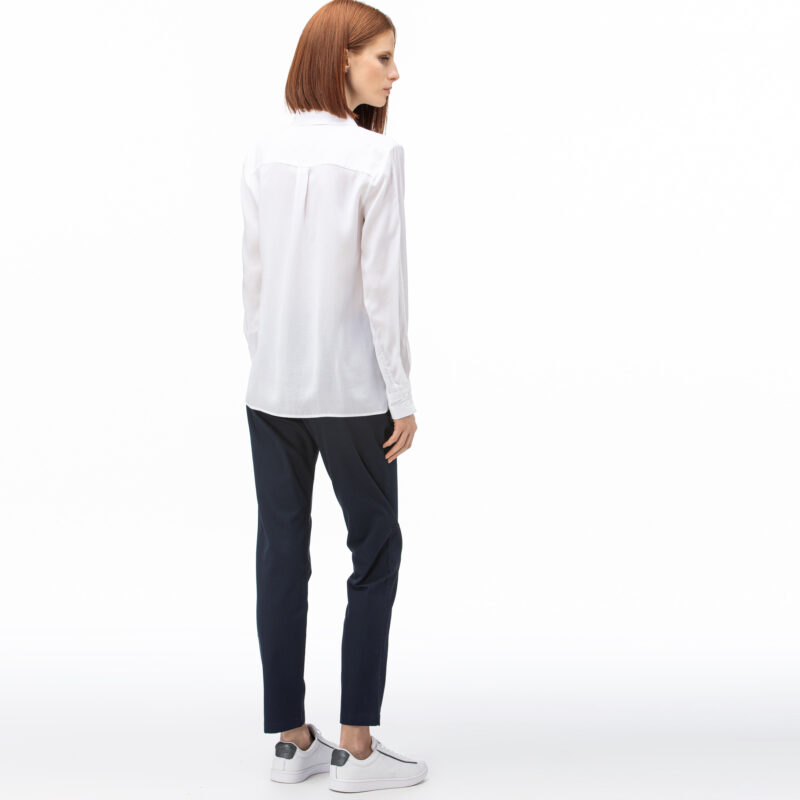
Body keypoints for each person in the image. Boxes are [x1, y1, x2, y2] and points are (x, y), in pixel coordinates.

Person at [239, 0, 427, 791]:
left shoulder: (263, 150)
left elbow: (253, 280)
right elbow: (383, 291)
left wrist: (270, 366)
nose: (395, 73)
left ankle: (292, 742)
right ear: (341, 58)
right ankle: (356, 748)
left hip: (272, 392)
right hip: (352, 393)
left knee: (281, 555)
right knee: (375, 552)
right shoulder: (376, 157)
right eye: (382, 57)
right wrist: (402, 395)